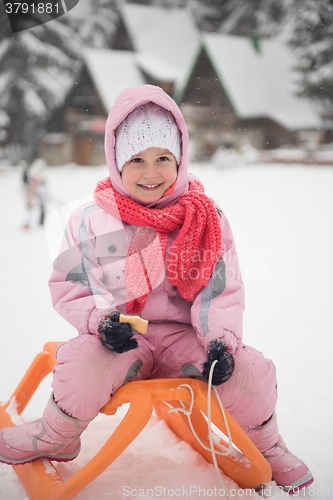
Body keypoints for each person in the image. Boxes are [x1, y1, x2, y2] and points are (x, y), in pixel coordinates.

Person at [0, 85, 313, 493]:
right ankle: (56, 435)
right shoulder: (92, 219)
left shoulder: (205, 218)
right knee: (80, 362)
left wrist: (221, 340)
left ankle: (268, 446)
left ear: (180, 160)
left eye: (163, 159)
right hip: (121, 339)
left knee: (251, 370)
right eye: (137, 160)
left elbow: (221, 288)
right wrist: (101, 321)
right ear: (115, 161)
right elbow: (71, 281)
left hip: (188, 340)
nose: (151, 173)